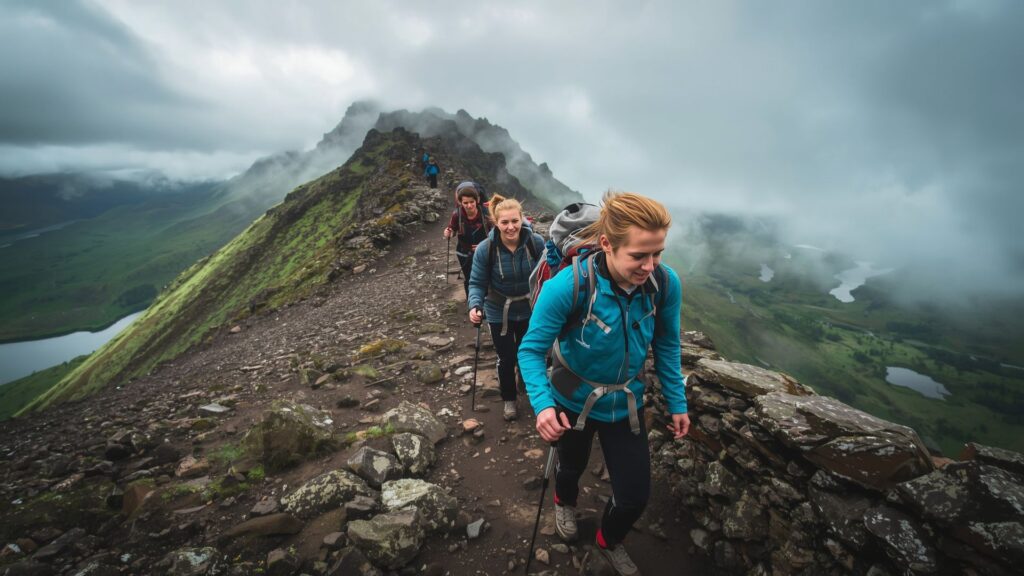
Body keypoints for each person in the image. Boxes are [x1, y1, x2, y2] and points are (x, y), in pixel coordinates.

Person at [517, 191, 689, 576]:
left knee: (634, 496)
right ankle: (565, 502)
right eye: (639, 255)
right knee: (571, 466)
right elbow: (530, 351)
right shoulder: (568, 286)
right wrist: (544, 406)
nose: (650, 265)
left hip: (626, 404)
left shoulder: (665, 283)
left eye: (657, 253)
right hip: (570, 401)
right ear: (607, 244)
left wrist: (677, 402)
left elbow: (666, 344)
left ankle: (607, 541)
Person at [468, 195, 545, 421]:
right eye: (504, 222)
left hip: (530, 308)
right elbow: (477, 282)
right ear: (495, 223)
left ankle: (528, 386)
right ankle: (509, 399)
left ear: (522, 219)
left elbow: (547, 275)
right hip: (498, 310)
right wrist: (475, 305)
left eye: (514, 221)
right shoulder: (486, 249)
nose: (510, 227)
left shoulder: (536, 243)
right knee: (506, 357)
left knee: (529, 352)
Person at [444, 182, 491, 298]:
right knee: (470, 277)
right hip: (465, 253)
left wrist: (484, 245)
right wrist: (448, 233)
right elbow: (453, 230)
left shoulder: (486, 213)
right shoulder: (457, 215)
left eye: (471, 202)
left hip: (485, 251)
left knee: (486, 276)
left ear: (477, 200)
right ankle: (473, 304)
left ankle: (486, 301)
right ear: (460, 202)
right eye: (465, 203)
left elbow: (495, 232)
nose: (469, 205)